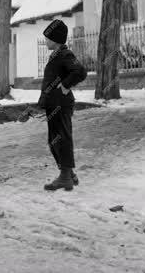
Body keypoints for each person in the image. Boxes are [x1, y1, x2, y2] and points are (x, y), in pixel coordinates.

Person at [38, 19, 87, 191]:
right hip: (54, 104)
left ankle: (65, 177)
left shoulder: (65, 54)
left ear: (56, 39)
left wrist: (66, 86)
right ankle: (69, 174)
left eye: (48, 38)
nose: (45, 41)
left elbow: (80, 71)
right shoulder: (56, 55)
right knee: (54, 141)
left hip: (61, 104)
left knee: (61, 139)